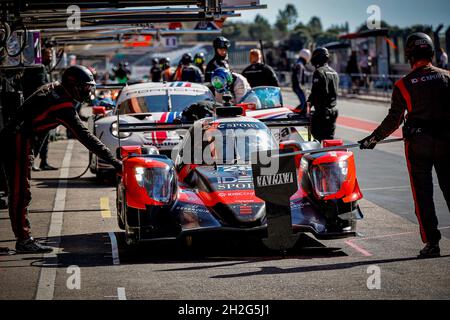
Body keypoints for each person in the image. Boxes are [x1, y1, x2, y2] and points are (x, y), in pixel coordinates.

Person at [0, 65, 122, 253]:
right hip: (18, 141)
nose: (87, 91)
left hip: (15, 137)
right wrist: (114, 161)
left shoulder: (53, 89)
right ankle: (23, 240)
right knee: (20, 193)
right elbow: (84, 136)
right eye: (85, 87)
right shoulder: (62, 105)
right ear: (74, 86)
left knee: (15, 192)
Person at [359, 33, 450, 259]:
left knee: (423, 196)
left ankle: (432, 243)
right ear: (431, 53)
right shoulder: (447, 76)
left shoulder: (404, 84)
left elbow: (394, 120)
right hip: (447, 142)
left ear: (409, 56)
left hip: (419, 145)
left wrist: (372, 139)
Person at [32, 47, 57, 171]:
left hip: (43, 108)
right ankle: (32, 161)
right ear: (41, 56)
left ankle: (43, 161)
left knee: (44, 137)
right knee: (38, 137)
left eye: (51, 56)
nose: (51, 58)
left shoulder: (44, 68)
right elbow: (41, 86)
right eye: (48, 55)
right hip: (39, 108)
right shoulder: (39, 68)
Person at [307, 47, 339, 142]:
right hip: (333, 112)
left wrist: (306, 106)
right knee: (329, 141)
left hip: (322, 113)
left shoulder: (319, 72)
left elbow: (316, 94)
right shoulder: (334, 72)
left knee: (313, 142)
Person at [291, 49, 312, 113]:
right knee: (304, 103)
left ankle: (295, 113)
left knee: (304, 103)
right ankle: (295, 114)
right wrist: (300, 86)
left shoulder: (299, 63)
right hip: (298, 86)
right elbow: (297, 76)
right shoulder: (299, 64)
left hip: (297, 86)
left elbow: (301, 74)